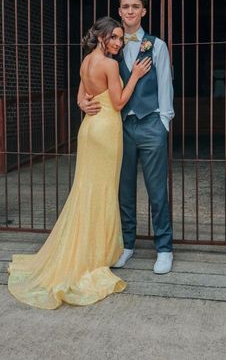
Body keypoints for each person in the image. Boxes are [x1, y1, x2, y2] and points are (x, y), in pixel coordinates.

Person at [8, 16, 151, 309]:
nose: (118, 43)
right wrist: (135, 74)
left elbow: (80, 96)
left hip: (88, 128)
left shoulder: (86, 61)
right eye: (113, 37)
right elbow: (120, 101)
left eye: (121, 39)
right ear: (101, 37)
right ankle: (93, 256)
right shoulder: (110, 65)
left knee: (86, 189)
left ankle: (90, 248)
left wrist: (82, 104)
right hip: (106, 129)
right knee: (101, 191)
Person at [80, 0, 174, 274]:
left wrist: (163, 122)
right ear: (119, 12)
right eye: (125, 6)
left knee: (157, 190)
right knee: (124, 191)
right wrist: (84, 101)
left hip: (150, 124)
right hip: (119, 128)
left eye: (135, 6)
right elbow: (92, 80)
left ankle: (164, 248)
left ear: (143, 11)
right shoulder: (111, 47)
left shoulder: (156, 45)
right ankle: (128, 245)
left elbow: (165, 85)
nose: (130, 11)